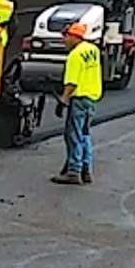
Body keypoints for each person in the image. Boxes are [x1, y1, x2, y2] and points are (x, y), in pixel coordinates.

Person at [49, 22, 103, 185]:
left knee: (73, 135)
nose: (64, 40)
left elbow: (72, 82)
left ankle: (74, 171)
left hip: (79, 99)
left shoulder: (75, 55)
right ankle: (86, 169)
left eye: (65, 37)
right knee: (84, 134)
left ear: (74, 37)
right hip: (92, 98)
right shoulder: (93, 50)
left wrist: (63, 100)